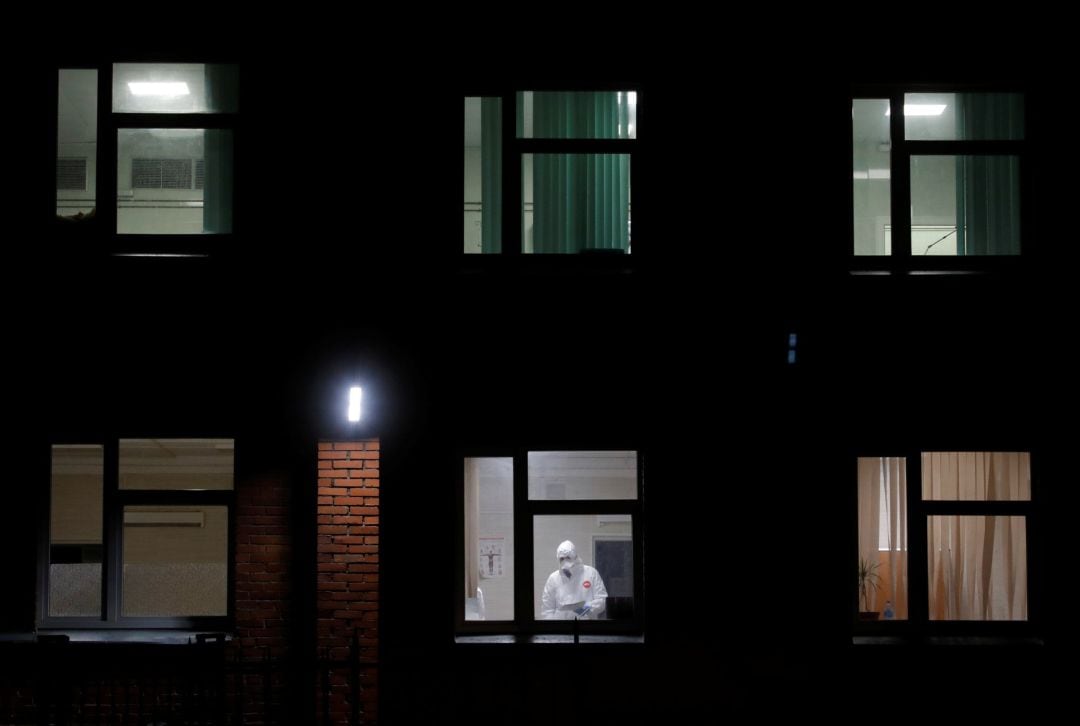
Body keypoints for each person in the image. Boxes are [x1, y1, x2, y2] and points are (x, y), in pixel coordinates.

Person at [541, 540, 607, 620]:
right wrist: (553, 628)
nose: (565, 561)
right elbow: (547, 610)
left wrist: (582, 610)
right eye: (562, 558)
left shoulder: (591, 573)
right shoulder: (553, 579)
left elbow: (602, 600)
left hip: (586, 627)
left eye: (568, 557)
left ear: (575, 557)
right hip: (561, 628)